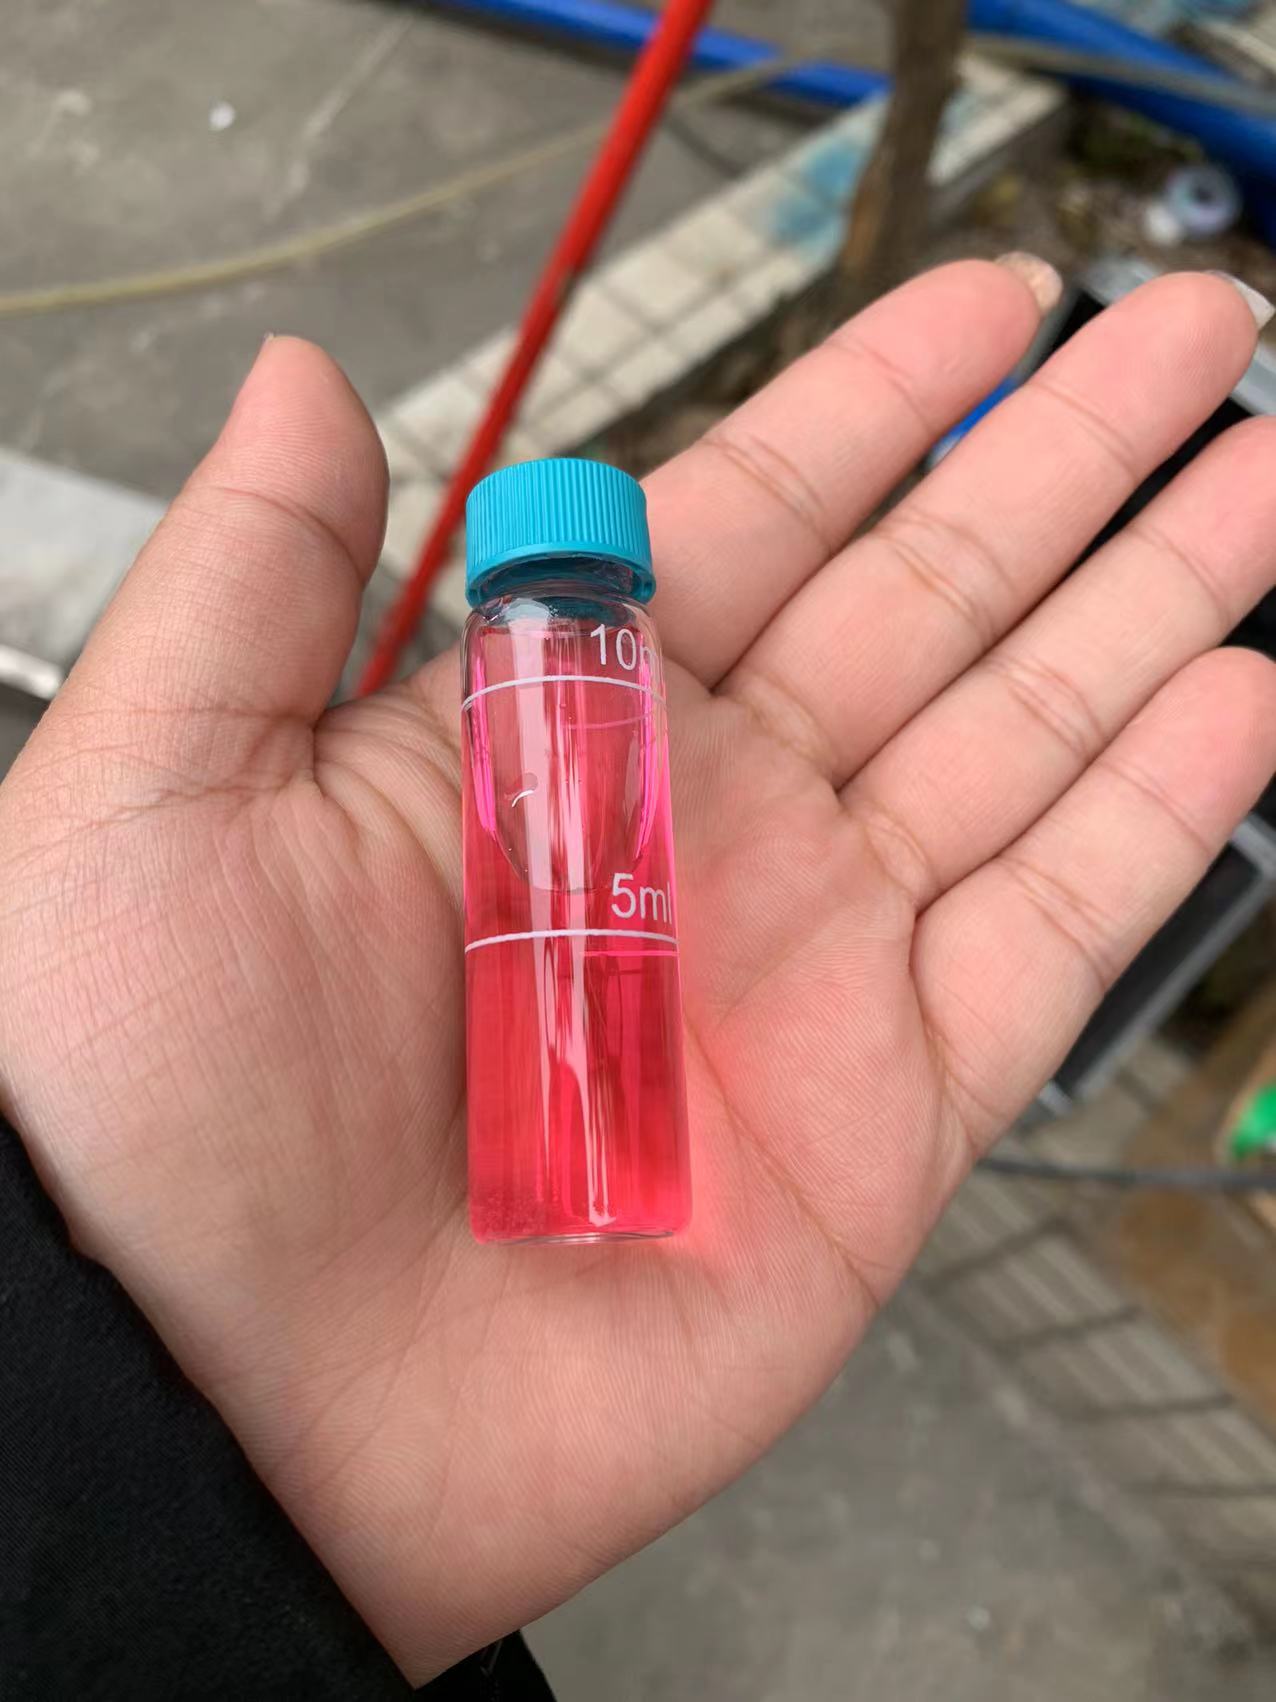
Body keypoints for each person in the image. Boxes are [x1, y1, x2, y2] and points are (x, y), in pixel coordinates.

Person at [2, 255, 1274, 1697]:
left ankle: (604, 1174)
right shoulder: (520, 644)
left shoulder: (606, 641)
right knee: (554, 946)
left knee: (602, 937)